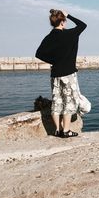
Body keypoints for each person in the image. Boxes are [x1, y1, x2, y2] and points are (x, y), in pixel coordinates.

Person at [35, 9, 87, 138]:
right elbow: (82, 25)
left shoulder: (50, 36)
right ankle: (66, 131)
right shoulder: (70, 34)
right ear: (63, 21)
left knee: (57, 102)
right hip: (68, 74)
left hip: (55, 74)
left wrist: (54, 60)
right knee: (69, 102)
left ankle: (58, 130)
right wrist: (68, 14)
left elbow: (38, 54)